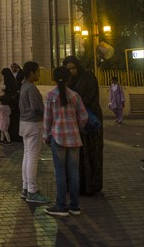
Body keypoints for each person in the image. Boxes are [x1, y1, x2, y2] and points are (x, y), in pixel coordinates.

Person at [43, 66, 88, 217]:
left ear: (54, 78)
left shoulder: (51, 95)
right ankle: (74, 206)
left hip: (58, 137)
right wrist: (76, 126)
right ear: (69, 79)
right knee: (74, 172)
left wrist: (46, 135)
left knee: (60, 173)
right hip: (74, 138)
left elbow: (47, 119)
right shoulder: (75, 95)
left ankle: (61, 206)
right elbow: (84, 116)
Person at [63, 55, 103, 195]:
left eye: (74, 68)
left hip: (90, 120)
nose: (72, 71)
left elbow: (92, 96)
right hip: (75, 122)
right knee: (76, 155)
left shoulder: (87, 77)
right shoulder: (68, 82)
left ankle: (91, 185)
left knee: (90, 152)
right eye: (69, 69)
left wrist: (78, 104)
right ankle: (77, 185)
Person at [19, 61, 49, 204]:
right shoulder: (31, 88)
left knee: (27, 155)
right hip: (33, 124)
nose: (38, 74)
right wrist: (45, 110)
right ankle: (32, 190)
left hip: (24, 123)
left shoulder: (23, 86)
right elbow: (36, 108)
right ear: (31, 73)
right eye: (37, 72)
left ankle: (25, 188)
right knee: (33, 157)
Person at [0, 63, 24, 142]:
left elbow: (12, 91)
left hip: (12, 104)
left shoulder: (12, 80)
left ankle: (9, 137)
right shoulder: (11, 79)